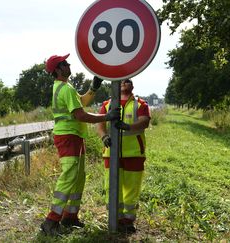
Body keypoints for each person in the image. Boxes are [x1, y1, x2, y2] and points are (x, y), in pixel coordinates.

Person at [40, 53, 120, 236]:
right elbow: (80, 115)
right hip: (68, 137)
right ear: (58, 69)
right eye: (65, 63)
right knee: (69, 176)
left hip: (74, 136)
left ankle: (70, 217)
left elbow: (81, 102)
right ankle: (51, 221)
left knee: (78, 177)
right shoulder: (65, 89)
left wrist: (93, 88)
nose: (69, 65)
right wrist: (107, 116)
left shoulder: (65, 87)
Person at [96, 78, 151, 233]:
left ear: (132, 86)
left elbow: (144, 122)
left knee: (132, 189)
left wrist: (127, 127)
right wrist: (104, 137)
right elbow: (100, 125)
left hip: (134, 154)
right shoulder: (107, 105)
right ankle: (116, 219)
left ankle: (128, 221)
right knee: (112, 187)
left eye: (127, 81)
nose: (124, 83)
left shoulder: (140, 104)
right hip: (110, 154)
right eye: (121, 82)